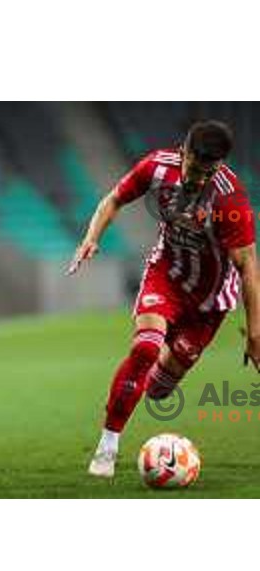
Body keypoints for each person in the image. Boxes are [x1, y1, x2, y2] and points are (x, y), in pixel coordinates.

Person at [69, 120, 260, 478]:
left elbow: (248, 263)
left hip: (209, 302)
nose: (198, 180)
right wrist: (91, 237)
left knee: (157, 390)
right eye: (194, 169)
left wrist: (254, 334)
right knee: (144, 348)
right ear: (182, 152)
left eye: (208, 172)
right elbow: (114, 199)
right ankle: (107, 447)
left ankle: (148, 379)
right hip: (166, 276)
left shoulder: (229, 196)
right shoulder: (157, 166)